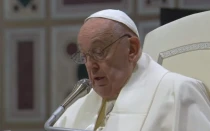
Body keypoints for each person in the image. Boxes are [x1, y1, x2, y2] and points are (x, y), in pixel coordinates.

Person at [53, 9, 210, 131]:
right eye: (85, 56)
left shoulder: (177, 93)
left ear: (132, 50)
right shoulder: (77, 109)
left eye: (99, 52)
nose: (91, 66)